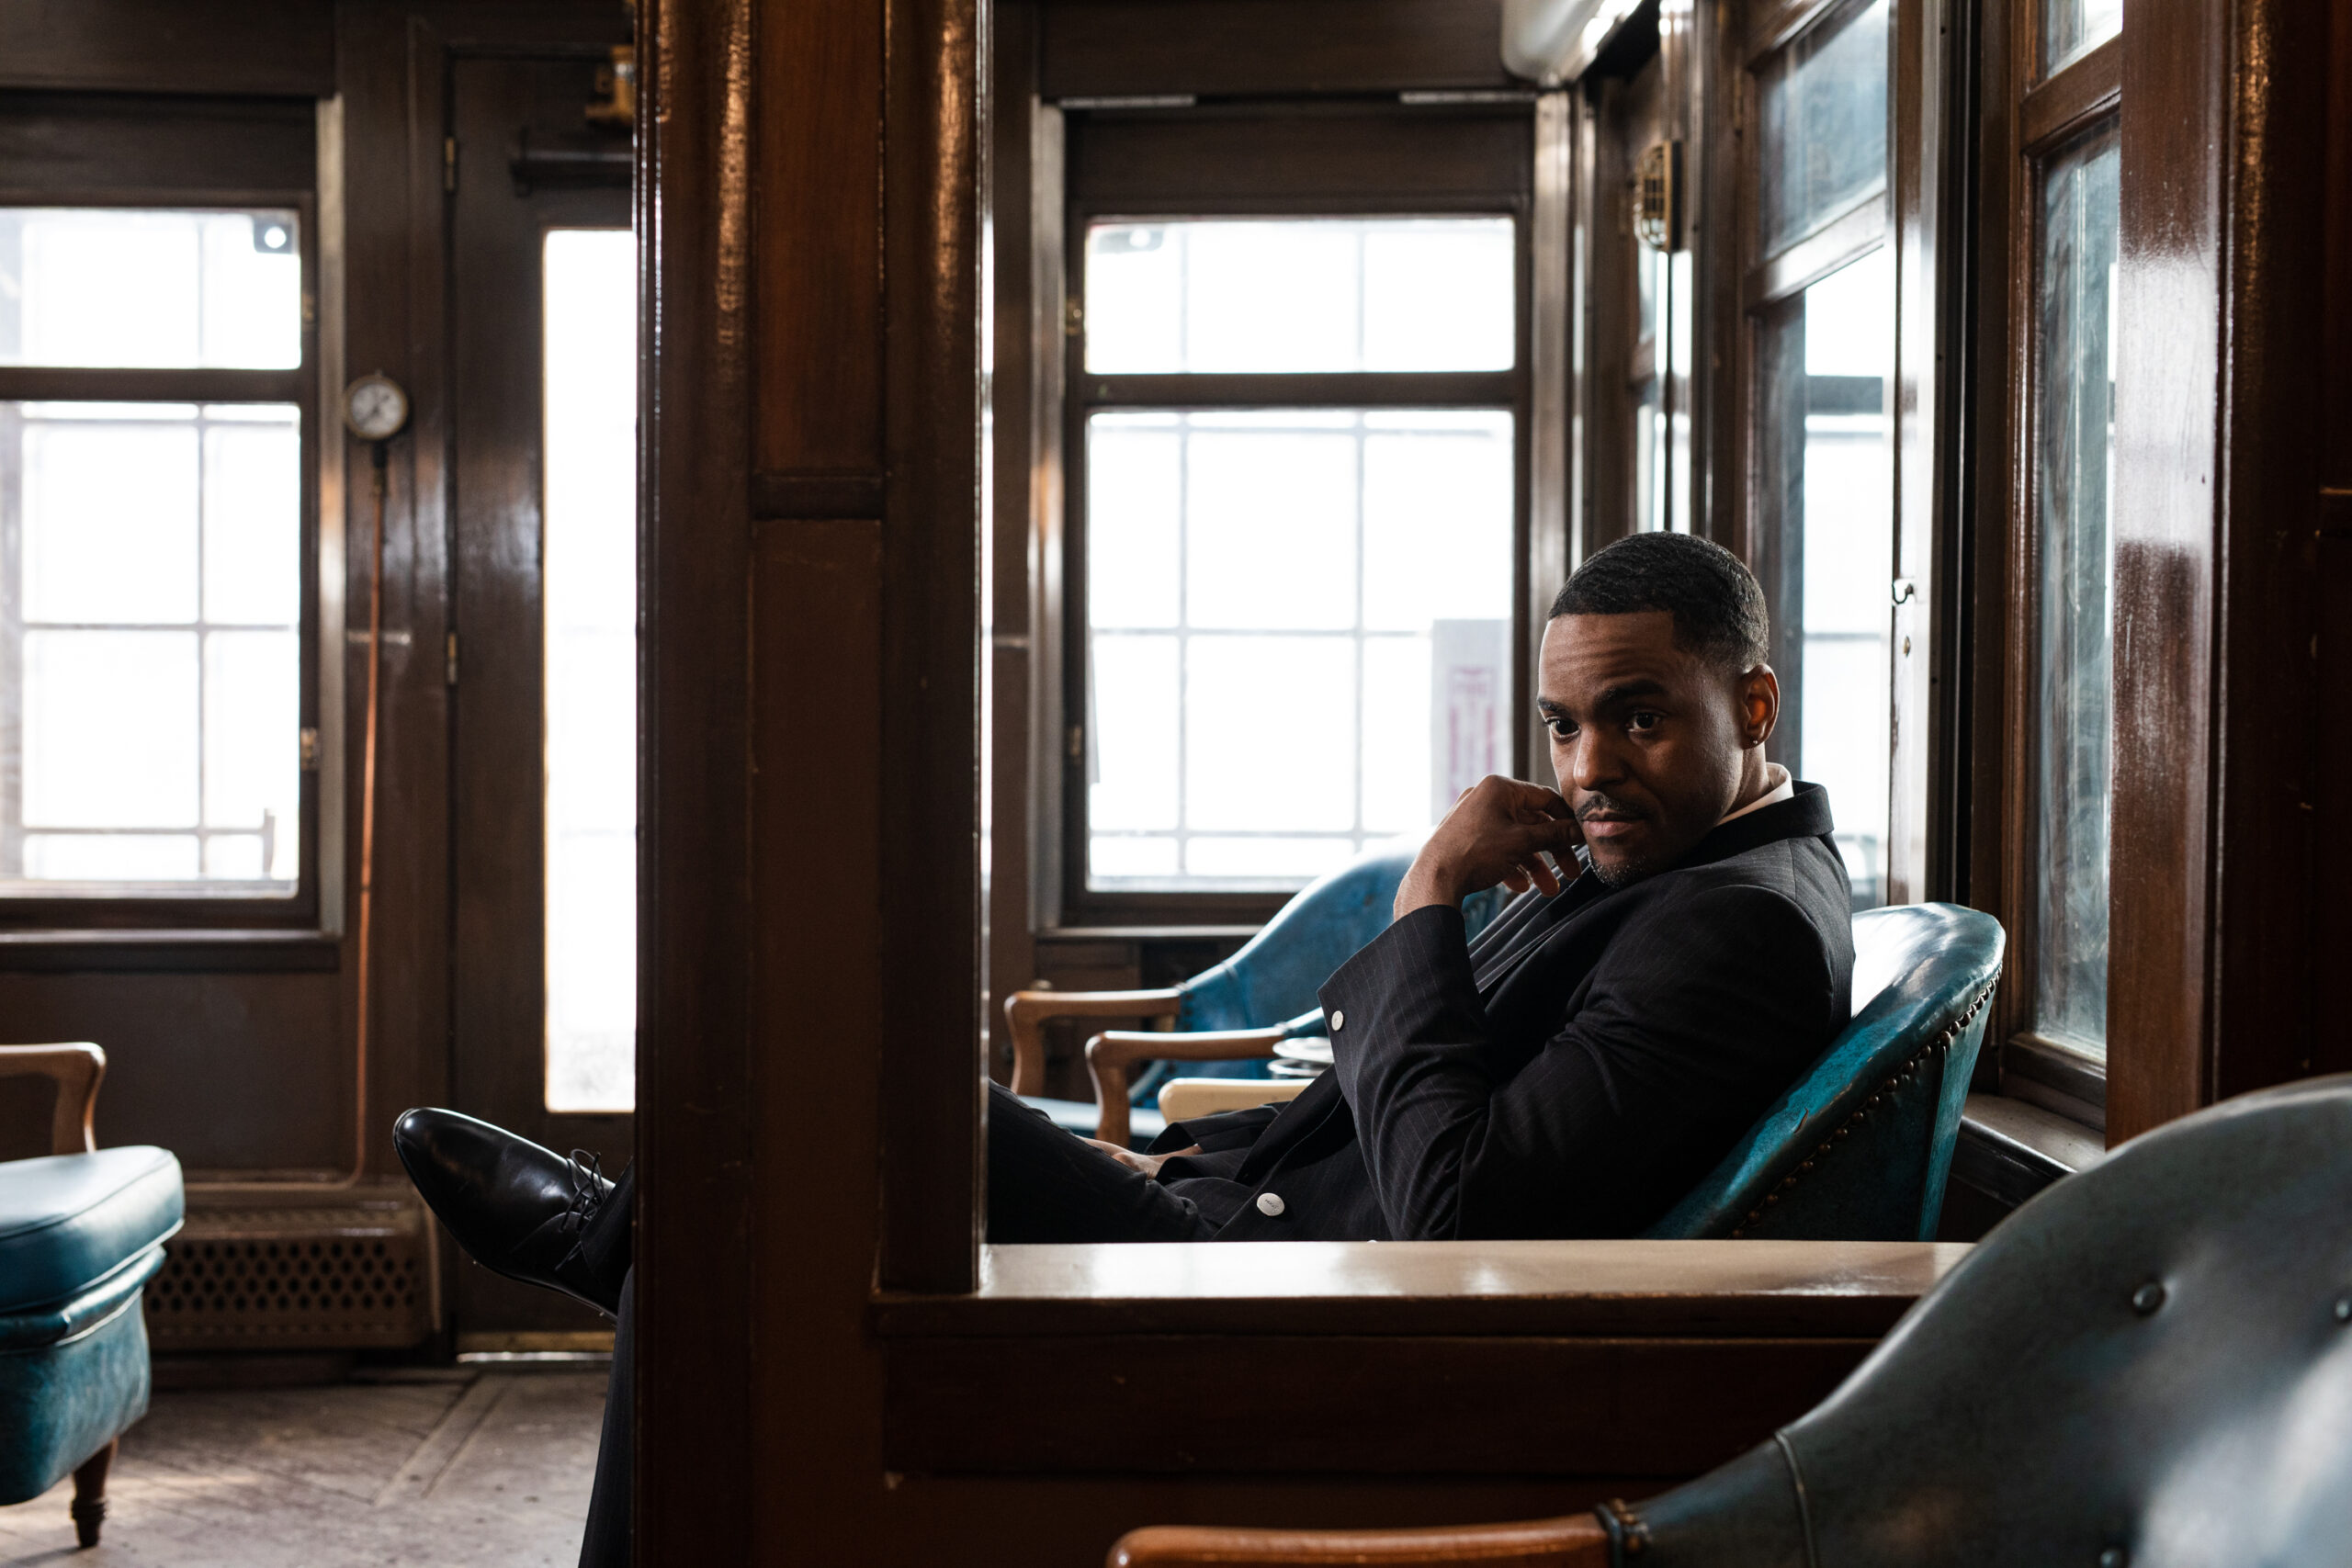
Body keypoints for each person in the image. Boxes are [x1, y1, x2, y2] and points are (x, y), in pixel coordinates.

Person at [393, 531, 1856, 1566]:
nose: (1589, 768)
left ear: (1754, 703)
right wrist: (1165, 1156)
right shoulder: (1676, 870)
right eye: (1565, 726)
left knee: (848, 1105)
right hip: (1248, 1232)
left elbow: (1458, 1210)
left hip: (1310, 1327)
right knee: (805, 1148)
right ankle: (635, 1242)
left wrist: (1427, 895)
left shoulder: (1741, 925)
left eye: (1637, 719)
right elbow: (1432, 1111)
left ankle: (607, 1239)